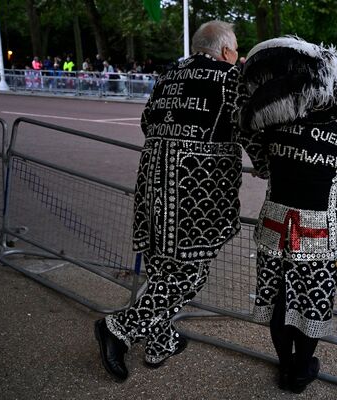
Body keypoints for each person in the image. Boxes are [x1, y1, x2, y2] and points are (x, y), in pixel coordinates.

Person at [94, 20, 247, 382]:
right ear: (226, 51)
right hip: (197, 192)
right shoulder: (230, 78)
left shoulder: (169, 74)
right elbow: (247, 129)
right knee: (187, 274)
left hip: (152, 182)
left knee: (163, 269)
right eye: (237, 48)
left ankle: (161, 340)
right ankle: (118, 328)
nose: (238, 55)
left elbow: (148, 122)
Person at [239, 37, 337, 393]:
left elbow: (263, 165)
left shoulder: (275, 130)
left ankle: (285, 366)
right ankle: (300, 369)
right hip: (317, 236)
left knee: (280, 300)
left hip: (273, 231)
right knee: (310, 303)